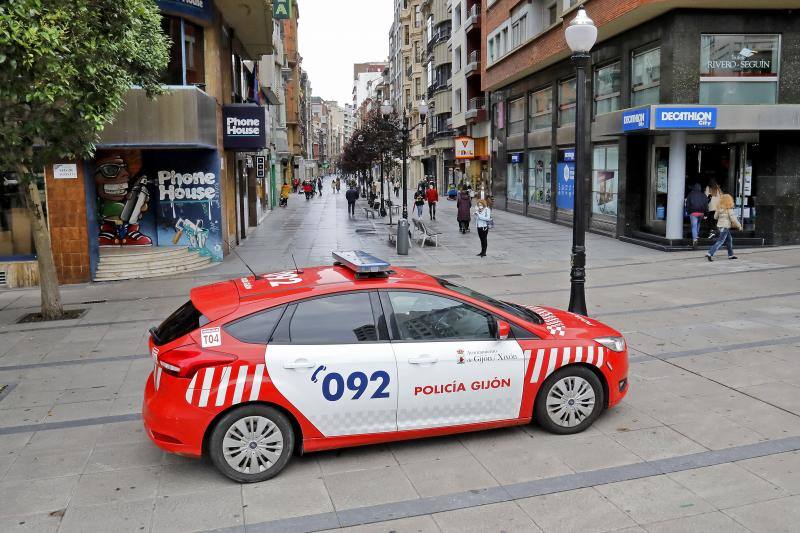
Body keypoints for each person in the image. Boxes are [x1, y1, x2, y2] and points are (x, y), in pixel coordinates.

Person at [706, 193, 740, 261]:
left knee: (729, 240)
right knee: (720, 241)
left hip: (720, 226)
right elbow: (733, 219)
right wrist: (739, 225)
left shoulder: (719, 208)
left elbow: (715, 217)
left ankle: (731, 255)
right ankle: (710, 253)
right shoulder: (729, 209)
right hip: (725, 227)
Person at [685, 183, 708, 249]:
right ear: (700, 188)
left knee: (694, 226)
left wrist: (688, 211)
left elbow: (687, 204)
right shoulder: (703, 195)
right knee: (698, 223)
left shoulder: (690, 195)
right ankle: (696, 235)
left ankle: (695, 240)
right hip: (701, 213)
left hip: (693, 213)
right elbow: (706, 206)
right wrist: (706, 214)